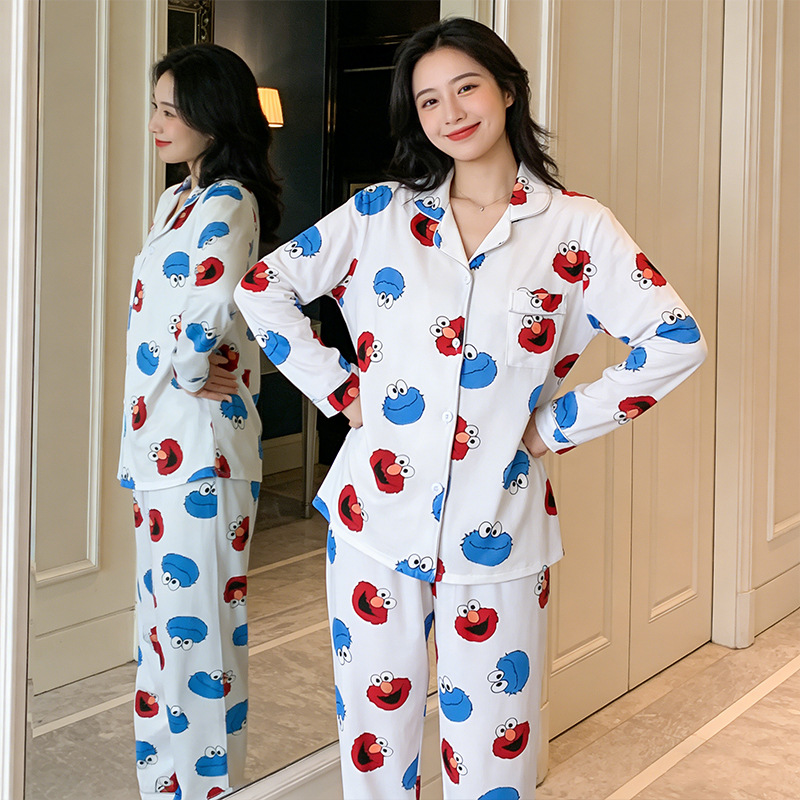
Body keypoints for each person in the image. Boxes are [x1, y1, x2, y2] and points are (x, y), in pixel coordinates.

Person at [234, 17, 706, 800]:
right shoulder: (379, 215)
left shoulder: (577, 227)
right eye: (428, 101)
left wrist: (553, 426)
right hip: (372, 522)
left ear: (508, 89)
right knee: (375, 747)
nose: (450, 112)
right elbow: (264, 289)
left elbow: (676, 338)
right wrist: (341, 389)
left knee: (492, 755)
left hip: (499, 528)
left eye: (466, 88)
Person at [118, 43, 281, 800]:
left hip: (203, 456)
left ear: (214, 115)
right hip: (158, 445)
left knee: (202, 651)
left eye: (171, 109)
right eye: (155, 106)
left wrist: (190, 372)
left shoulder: (229, 202)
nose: (156, 122)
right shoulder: (175, 202)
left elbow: (208, 308)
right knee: (159, 646)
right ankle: (163, 789)